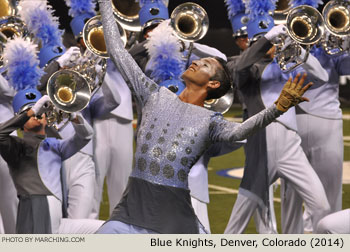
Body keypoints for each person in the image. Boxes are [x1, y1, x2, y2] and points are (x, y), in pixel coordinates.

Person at [95, 0, 312, 234]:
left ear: (214, 83)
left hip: (175, 220)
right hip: (129, 214)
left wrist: (277, 108)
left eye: (205, 64)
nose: (197, 61)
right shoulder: (153, 95)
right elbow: (117, 51)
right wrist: (106, 3)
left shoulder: (210, 122)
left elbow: (241, 131)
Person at [224, 0, 330, 234]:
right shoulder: (243, 67)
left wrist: (300, 51)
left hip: (292, 147)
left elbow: (321, 77)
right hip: (263, 147)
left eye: (274, 42)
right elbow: (241, 67)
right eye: (268, 42)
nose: (273, 47)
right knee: (238, 224)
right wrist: (266, 39)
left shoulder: (285, 66)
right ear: (255, 43)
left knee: (321, 205)